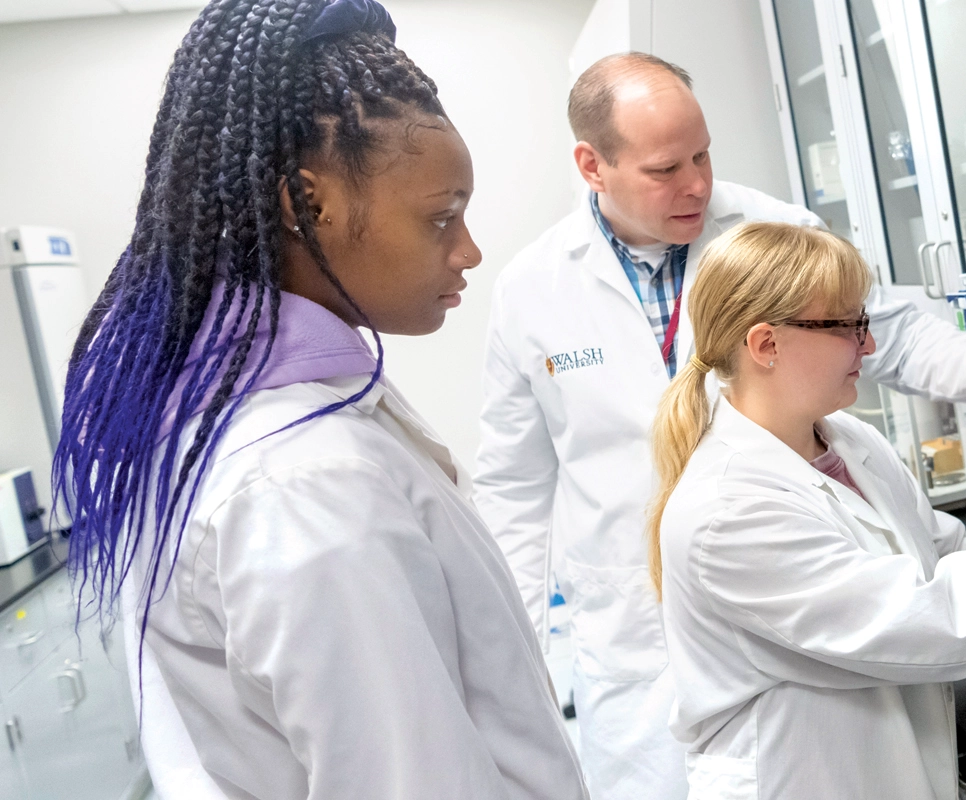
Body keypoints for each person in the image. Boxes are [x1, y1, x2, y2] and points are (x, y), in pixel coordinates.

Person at [474, 52, 966, 798]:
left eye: (703, 154)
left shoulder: (772, 226)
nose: (697, 182)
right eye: (666, 169)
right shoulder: (533, 289)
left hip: (796, 629)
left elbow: (881, 329)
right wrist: (513, 675)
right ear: (592, 165)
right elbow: (513, 490)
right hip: (632, 646)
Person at [51, 1, 587, 797]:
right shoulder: (307, 484)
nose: (469, 250)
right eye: (441, 218)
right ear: (307, 204)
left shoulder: (227, 420)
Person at [649, 221, 966, 800]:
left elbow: (942, 558)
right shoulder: (725, 512)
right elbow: (930, 620)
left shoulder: (847, 440)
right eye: (846, 326)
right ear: (766, 345)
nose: (867, 345)